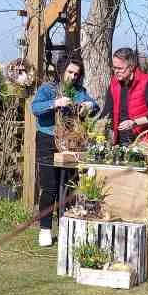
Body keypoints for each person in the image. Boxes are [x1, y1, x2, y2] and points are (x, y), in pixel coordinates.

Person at [30, 55, 97, 246]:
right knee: (50, 186)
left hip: (70, 142)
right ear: (62, 71)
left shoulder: (79, 92)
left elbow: (94, 106)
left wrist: (88, 106)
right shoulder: (48, 89)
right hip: (47, 139)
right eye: (70, 72)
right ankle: (44, 229)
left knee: (68, 185)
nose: (73, 77)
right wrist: (55, 103)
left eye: (76, 74)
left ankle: (66, 227)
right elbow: (35, 108)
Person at [99, 47, 148, 146]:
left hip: (146, 142)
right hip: (121, 141)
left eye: (120, 68)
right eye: (114, 68)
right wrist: (96, 126)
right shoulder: (114, 82)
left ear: (131, 67)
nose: (116, 71)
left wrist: (134, 122)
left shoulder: (147, 82)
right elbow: (107, 110)